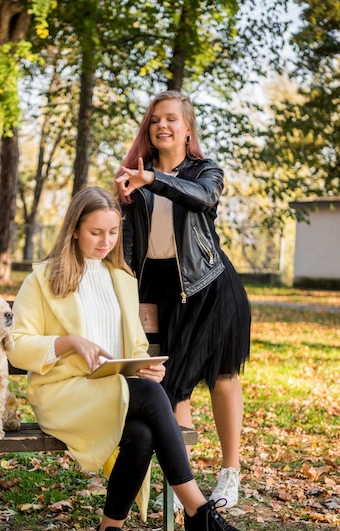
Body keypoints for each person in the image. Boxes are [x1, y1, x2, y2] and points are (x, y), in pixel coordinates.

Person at [8, 186, 255, 531]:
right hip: (64, 394)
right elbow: (17, 346)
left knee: (141, 430)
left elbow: (137, 347)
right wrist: (68, 342)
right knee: (146, 399)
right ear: (73, 230)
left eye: (112, 232)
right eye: (95, 233)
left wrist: (147, 368)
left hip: (116, 392)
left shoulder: (122, 278)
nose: (106, 242)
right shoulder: (43, 279)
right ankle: (197, 513)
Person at [115, 90, 251, 509]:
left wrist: (153, 180)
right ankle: (183, 482)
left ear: (187, 129)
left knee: (222, 376)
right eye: (155, 119)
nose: (162, 126)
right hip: (163, 290)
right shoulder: (134, 174)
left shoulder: (205, 171)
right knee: (174, 388)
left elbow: (202, 198)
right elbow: (132, 245)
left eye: (172, 119)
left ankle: (230, 474)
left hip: (210, 286)